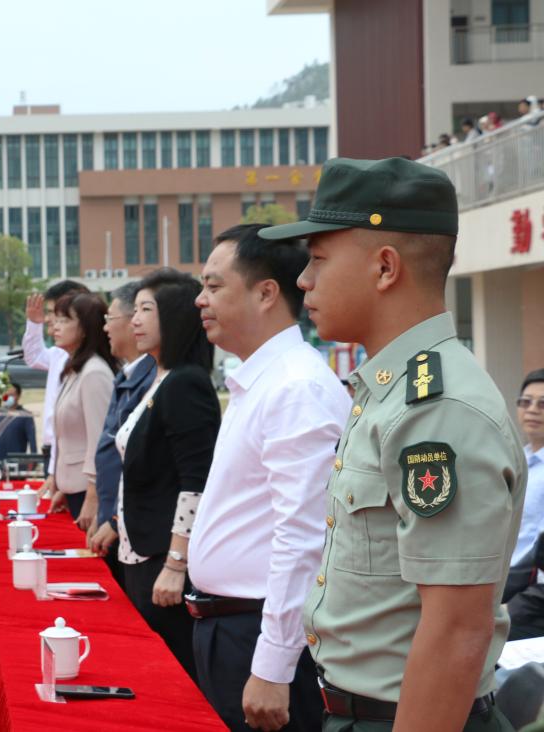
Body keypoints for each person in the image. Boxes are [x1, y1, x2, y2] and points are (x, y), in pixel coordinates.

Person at [260, 156, 526, 731]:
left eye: (318, 259)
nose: (303, 280)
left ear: (385, 267)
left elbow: (456, 628)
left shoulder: (436, 409)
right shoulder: (393, 390)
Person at [188, 225, 350, 731]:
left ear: (265, 293)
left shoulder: (295, 387)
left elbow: (303, 536)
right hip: (232, 627)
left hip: (262, 632)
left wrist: (273, 665)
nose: (200, 300)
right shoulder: (261, 380)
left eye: (214, 286)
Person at [111, 269, 219, 679]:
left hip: (163, 556)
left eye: (145, 310)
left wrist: (176, 563)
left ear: (174, 317)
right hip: (140, 550)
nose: (134, 320)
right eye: (135, 310)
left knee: (175, 675)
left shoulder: (186, 383)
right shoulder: (160, 379)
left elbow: (196, 481)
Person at [87, 282, 156, 587]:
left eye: (110, 319)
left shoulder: (152, 378)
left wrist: (114, 520)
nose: (105, 328)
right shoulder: (127, 374)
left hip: (133, 530)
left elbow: (145, 464)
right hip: (115, 517)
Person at [46, 293, 117, 529]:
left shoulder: (94, 373)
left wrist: (92, 496)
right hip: (74, 487)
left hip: (88, 490)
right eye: (56, 319)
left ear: (85, 328)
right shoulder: (76, 369)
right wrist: (63, 486)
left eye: (65, 320)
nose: (56, 326)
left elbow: (100, 440)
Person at [23, 281, 90, 494]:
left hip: (75, 454)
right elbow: (33, 356)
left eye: (56, 313)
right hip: (53, 449)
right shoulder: (59, 354)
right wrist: (34, 324)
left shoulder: (91, 365)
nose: (49, 319)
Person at [503, 369, 544, 639]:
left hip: (527, 598)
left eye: (543, 404)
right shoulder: (518, 459)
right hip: (500, 581)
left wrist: (512, 609)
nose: (532, 409)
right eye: (526, 402)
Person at [0, 383, 37, 464]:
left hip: (17, 463)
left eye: (12, 395)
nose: (8, 398)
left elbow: (32, 441)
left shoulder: (25, 415)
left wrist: (34, 461)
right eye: (6, 395)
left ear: (18, 396)